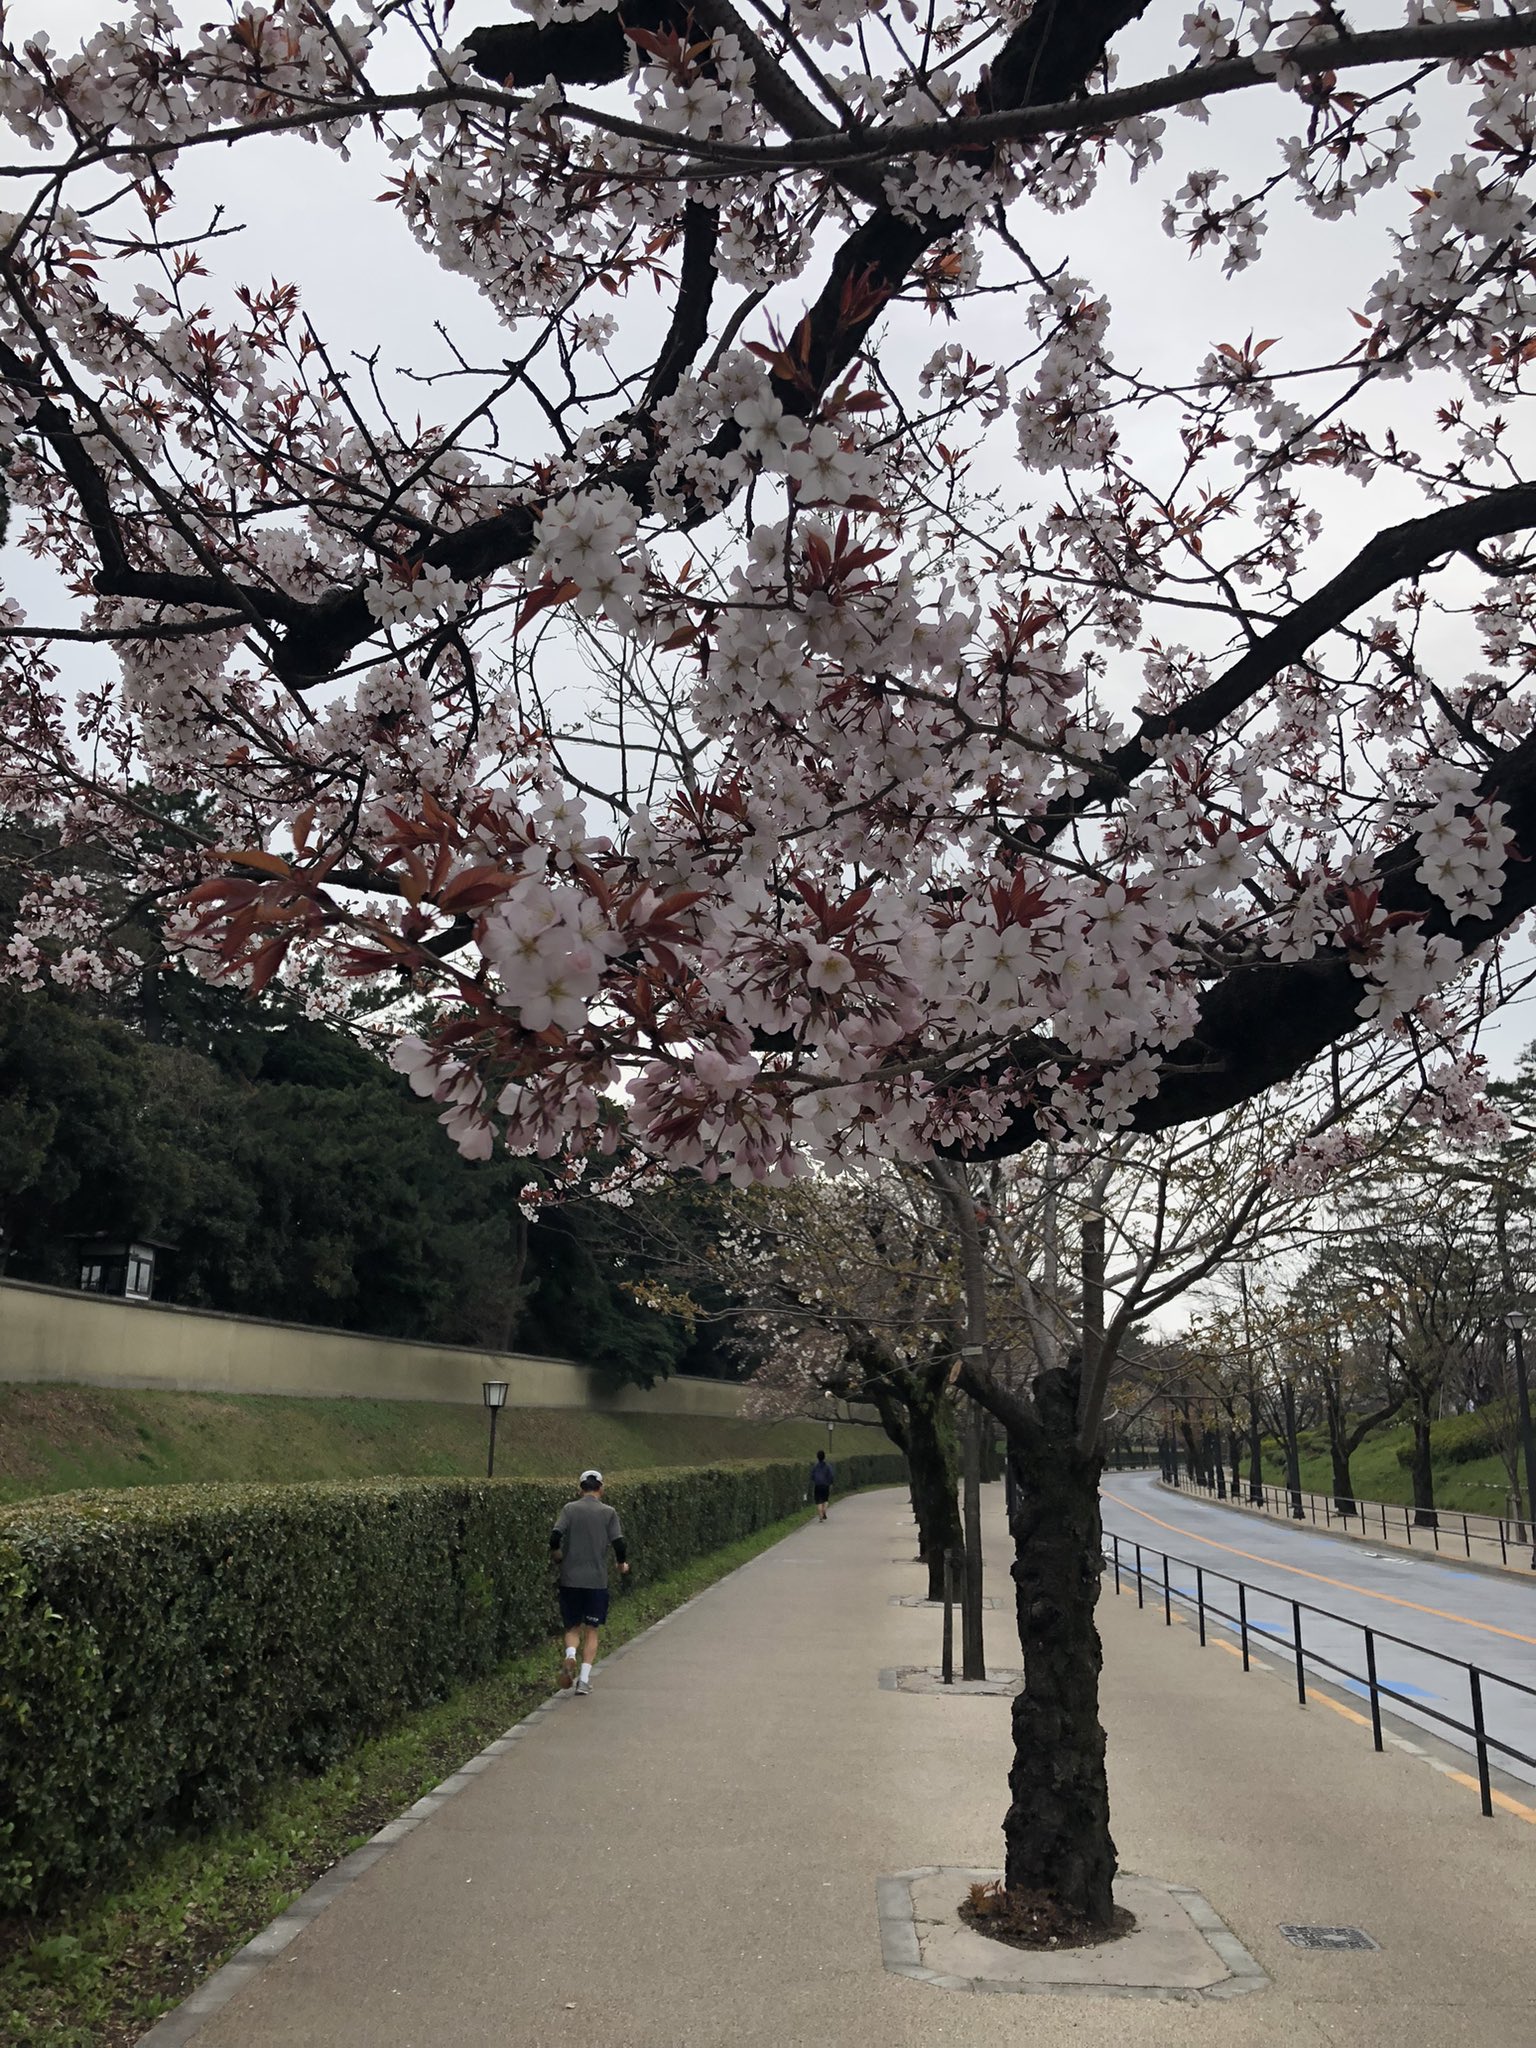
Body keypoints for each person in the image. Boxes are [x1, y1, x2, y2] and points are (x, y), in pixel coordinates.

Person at [550, 1470, 628, 1696]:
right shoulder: (608, 1513)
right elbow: (619, 1544)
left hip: (570, 1579)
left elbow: (555, 1536)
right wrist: (622, 1564)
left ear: (580, 1488)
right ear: (601, 1489)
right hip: (596, 1580)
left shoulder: (569, 1509)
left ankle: (570, 1655)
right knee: (592, 1630)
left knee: (572, 1626)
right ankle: (583, 1680)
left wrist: (557, 1554)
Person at [810, 1451, 835, 1521]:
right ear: (824, 1457)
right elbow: (831, 1475)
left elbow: (812, 1475)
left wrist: (814, 1480)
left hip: (818, 1485)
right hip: (826, 1485)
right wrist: (830, 1483)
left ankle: (820, 1516)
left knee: (818, 1501)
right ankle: (824, 1510)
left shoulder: (815, 1466)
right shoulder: (828, 1466)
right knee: (825, 1500)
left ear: (817, 1457)